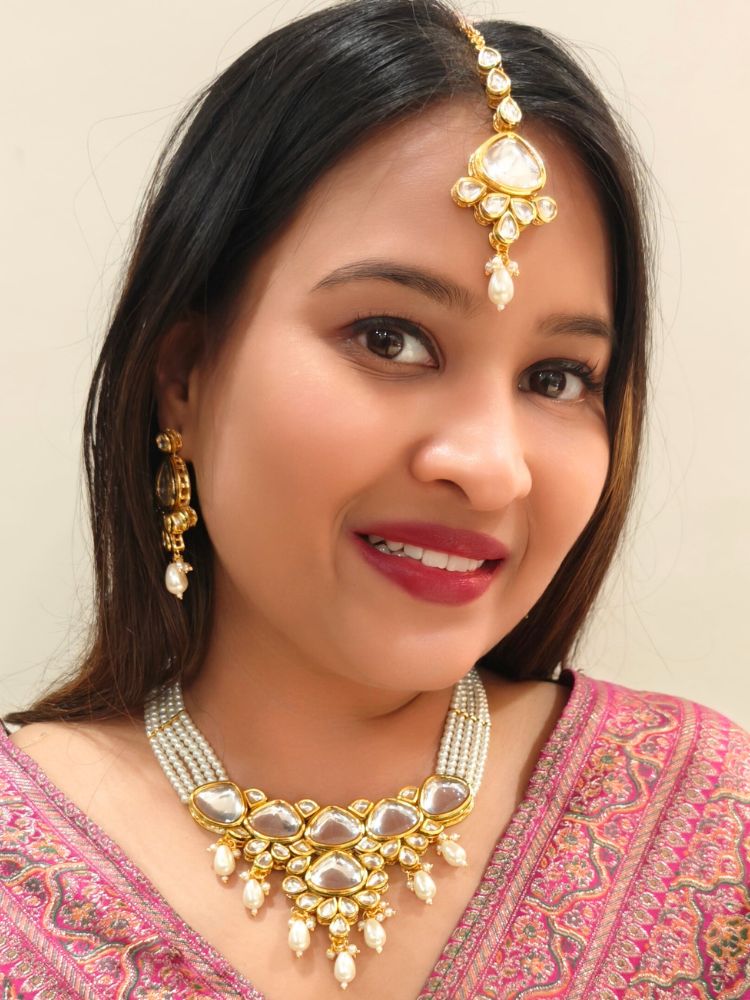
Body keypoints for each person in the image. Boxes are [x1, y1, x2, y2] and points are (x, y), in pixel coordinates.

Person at [1, 1, 748, 997]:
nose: (490, 467)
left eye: (560, 377)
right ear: (184, 371)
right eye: (389, 338)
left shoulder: (702, 827)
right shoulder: (22, 861)